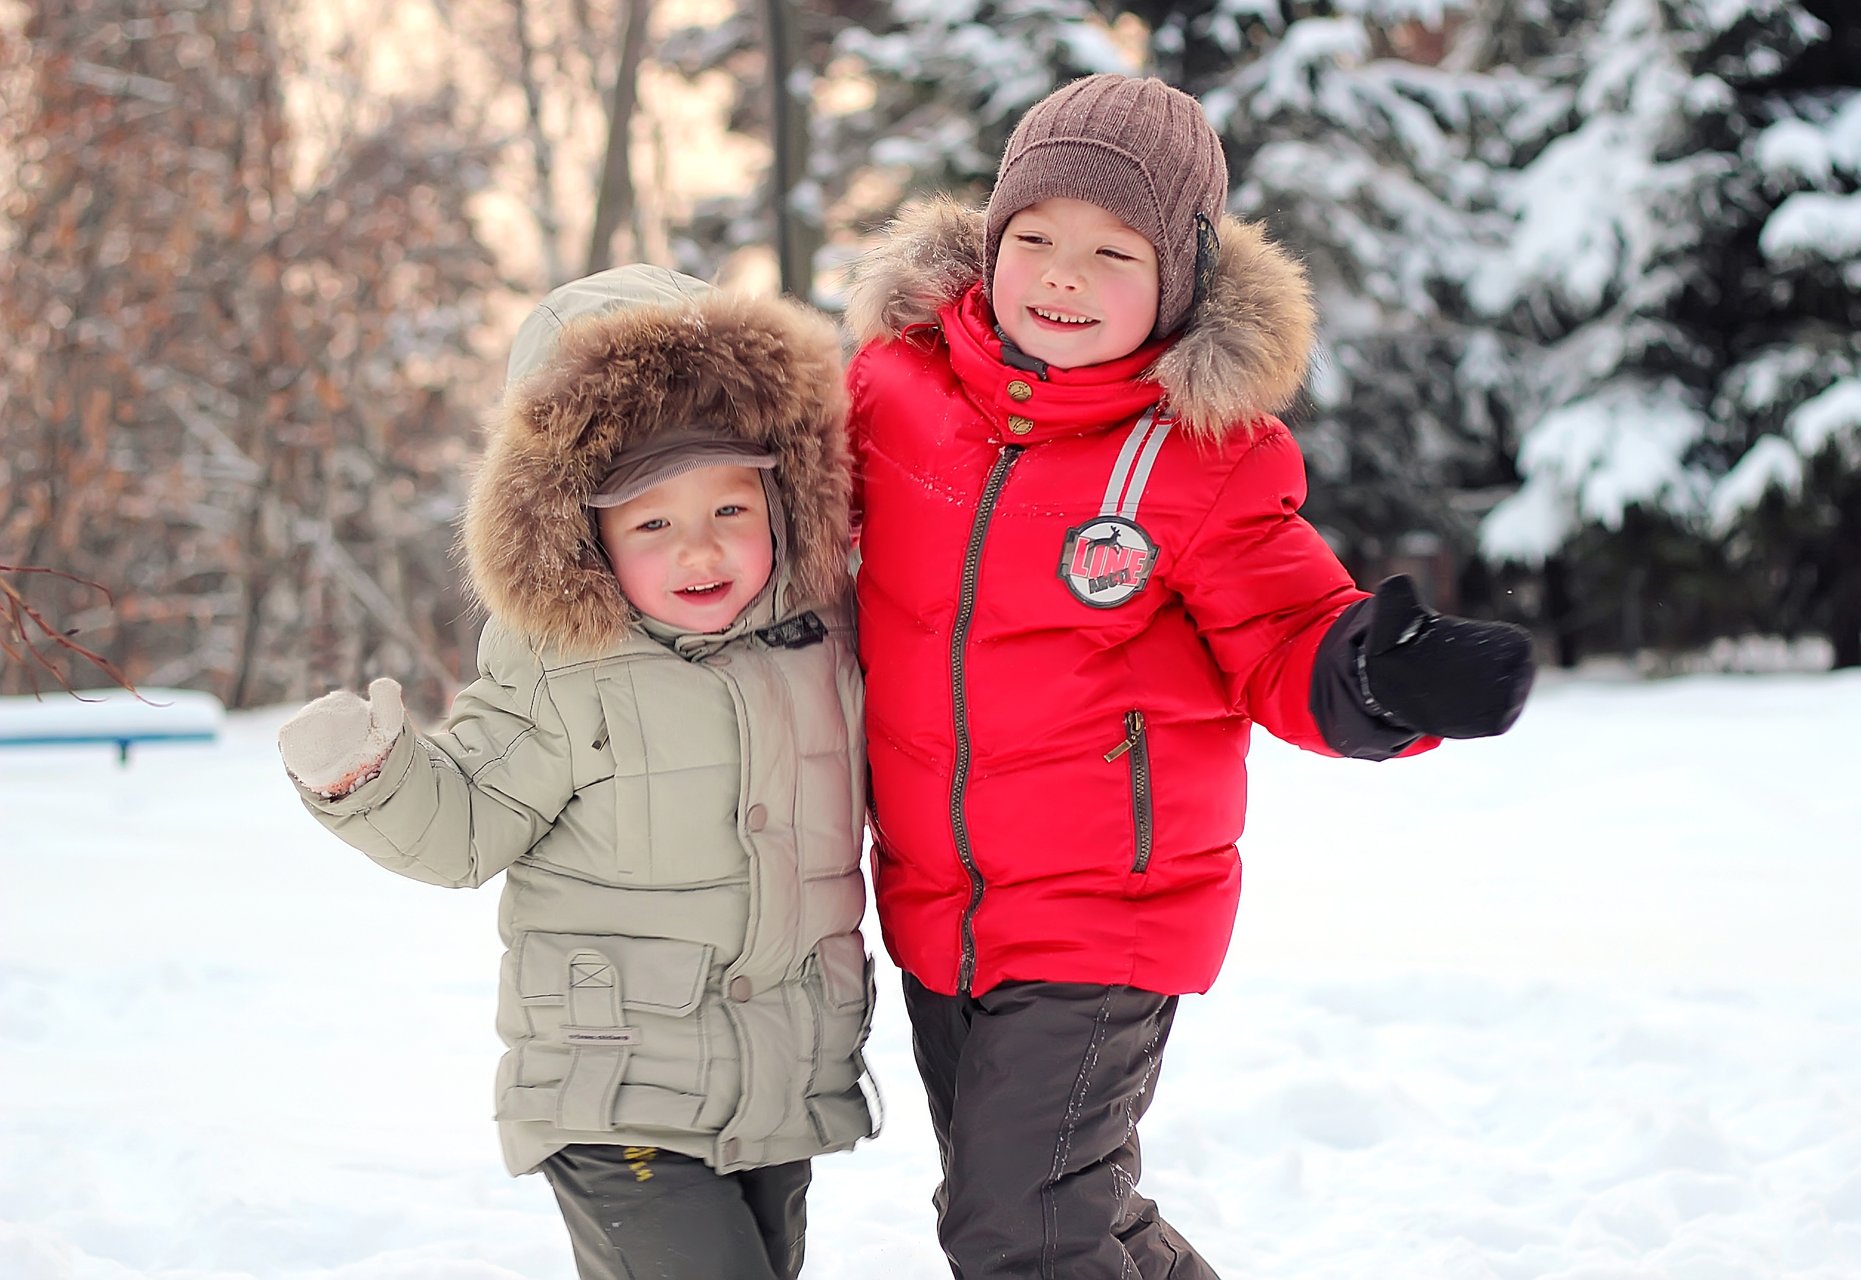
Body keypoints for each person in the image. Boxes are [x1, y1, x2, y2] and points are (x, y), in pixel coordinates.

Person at [841, 73, 1535, 1279]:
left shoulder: (1203, 456)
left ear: (1179, 277)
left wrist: (1378, 675)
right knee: (1059, 1212)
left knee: (1023, 1229)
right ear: (989, 244)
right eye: (1037, 239)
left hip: (1107, 911)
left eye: (1114, 252)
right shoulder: (889, 394)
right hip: (936, 900)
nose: (1064, 276)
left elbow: (1285, 632)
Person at [275, 265, 874, 1280]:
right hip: (612, 1085)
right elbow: (471, 819)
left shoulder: (827, 638)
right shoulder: (563, 666)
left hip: (778, 1073)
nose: (700, 548)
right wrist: (372, 780)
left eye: (731, 507)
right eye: (652, 521)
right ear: (579, 531)